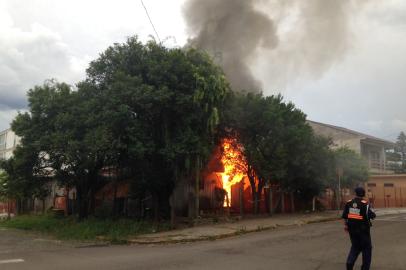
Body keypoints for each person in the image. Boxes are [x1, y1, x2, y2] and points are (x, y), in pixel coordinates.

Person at [342, 187, 376, 270]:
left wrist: (346, 225)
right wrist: (373, 214)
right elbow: (371, 215)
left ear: (355, 193)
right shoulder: (365, 204)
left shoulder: (349, 203)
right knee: (367, 248)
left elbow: (345, 216)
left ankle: (349, 264)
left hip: (352, 230)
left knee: (355, 247)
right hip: (363, 231)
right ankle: (365, 268)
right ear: (363, 194)